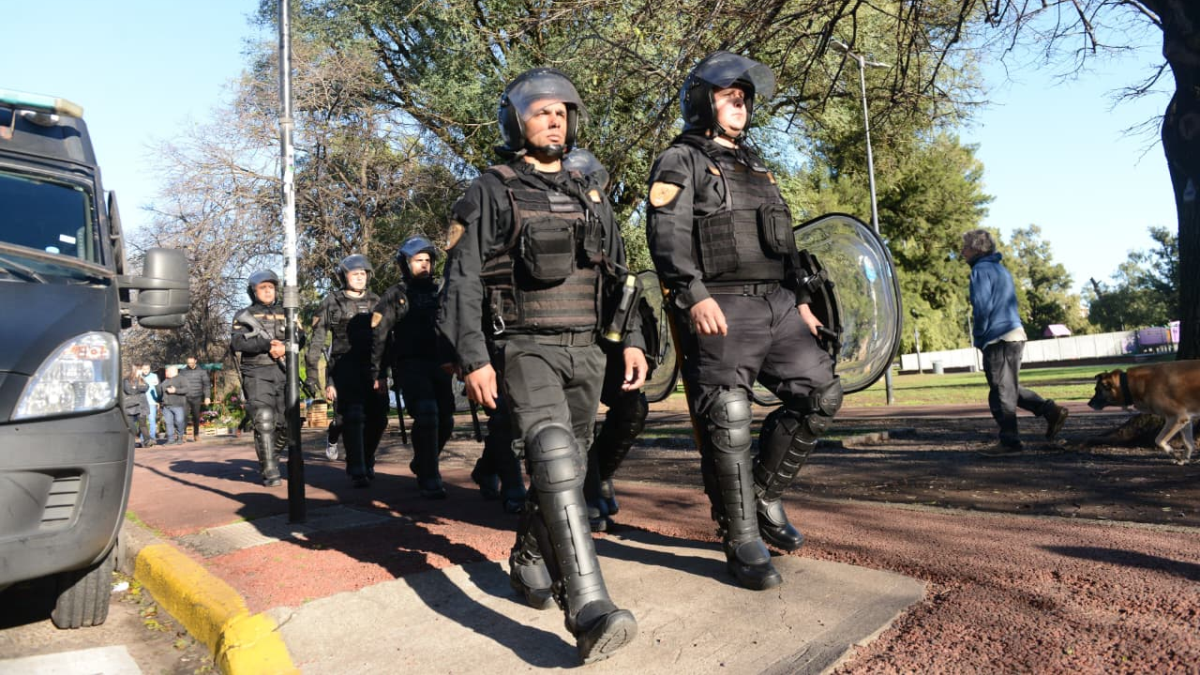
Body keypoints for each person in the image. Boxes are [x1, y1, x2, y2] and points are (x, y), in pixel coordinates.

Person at [437, 67, 646, 664]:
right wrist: (473, 357)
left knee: (571, 469)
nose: (553, 119)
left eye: (562, 111)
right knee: (552, 453)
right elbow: (462, 282)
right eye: (539, 112)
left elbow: (618, 273)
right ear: (516, 122)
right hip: (524, 345)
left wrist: (630, 336)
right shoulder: (489, 189)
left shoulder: (592, 190)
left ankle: (530, 556)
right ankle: (588, 608)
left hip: (587, 347)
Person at [645, 51, 842, 591]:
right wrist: (692, 294)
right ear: (702, 102)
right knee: (728, 416)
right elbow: (665, 235)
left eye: (745, 97)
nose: (740, 104)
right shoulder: (678, 160)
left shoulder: (758, 166)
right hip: (721, 304)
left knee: (820, 393)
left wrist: (802, 299)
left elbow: (785, 243)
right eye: (730, 95)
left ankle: (763, 495)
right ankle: (741, 537)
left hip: (779, 303)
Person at [563, 148, 653, 532]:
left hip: (605, 334)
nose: (585, 187)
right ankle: (577, 493)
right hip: (554, 335)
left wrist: (633, 339)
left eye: (590, 181)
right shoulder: (528, 201)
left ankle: (598, 474)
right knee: (572, 420)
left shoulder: (603, 214)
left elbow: (623, 280)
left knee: (632, 408)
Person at [961, 229, 1070, 452]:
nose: (962, 252)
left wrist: (980, 337)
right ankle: (1050, 411)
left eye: (965, 247)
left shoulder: (980, 270)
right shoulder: (1000, 270)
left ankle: (1010, 441)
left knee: (1000, 391)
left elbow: (981, 307)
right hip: (1014, 333)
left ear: (975, 248)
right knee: (1007, 387)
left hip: (997, 337)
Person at [370, 236, 458, 498]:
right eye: (418, 260)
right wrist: (378, 373)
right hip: (410, 365)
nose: (424, 265)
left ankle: (422, 461)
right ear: (406, 264)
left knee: (446, 419)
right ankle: (430, 476)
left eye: (428, 260)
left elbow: (455, 325)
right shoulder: (394, 295)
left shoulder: (442, 290)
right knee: (427, 413)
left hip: (440, 364)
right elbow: (380, 336)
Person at [307, 254, 388, 488]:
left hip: (373, 365)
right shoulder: (331, 302)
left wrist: (387, 371)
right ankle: (356, 467)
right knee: (352, 416)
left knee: (379, 418)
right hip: (344, 366)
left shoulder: (377, 301)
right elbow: (317, 340)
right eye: (355, 273)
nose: (360, 276)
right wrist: (314, 375)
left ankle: (368, 456)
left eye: (363, 273)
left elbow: (387, 337)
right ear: (344, 277)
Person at [231, 270, 303, 487]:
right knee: (264, 418)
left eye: (270, 287)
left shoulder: (288, 312)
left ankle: (269, 455)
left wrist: (284, 347)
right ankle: (270, 469)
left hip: (284, 371)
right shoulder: (243, 315)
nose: (268, 291)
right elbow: (237, 343)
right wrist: (265, 345)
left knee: (288, 422)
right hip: (256, 371)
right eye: (263, 288)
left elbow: (301, 336)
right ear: (254, 291)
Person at [180, 357, 212, 442]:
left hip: (197, 396)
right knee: (184, 416)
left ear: (195, 361)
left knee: (196, 416)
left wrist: (207, 397)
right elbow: (179, 383)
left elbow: (207, 385)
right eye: (188, 363)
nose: (190, 364)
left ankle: (196, 434)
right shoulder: (183, 372)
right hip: (185, 397)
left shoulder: (202, 371)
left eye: (191, 362)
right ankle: (183, 434)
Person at [157, 366, 188, 445]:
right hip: (166, 405)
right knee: (168, 423)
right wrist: (157, 386)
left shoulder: (182, 379)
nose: (166, 373)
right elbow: (160, 392)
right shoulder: (165, 381)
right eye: (166, 371)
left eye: (168, 371)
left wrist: (176, 390)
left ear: (175, 371)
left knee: (179, 421)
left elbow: (187, 389)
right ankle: (170, 439)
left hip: (178, 404)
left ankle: (180, 437)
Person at [123, 365, 152, 447]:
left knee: (143, 424)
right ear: (135, 370)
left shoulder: (142, 379)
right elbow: (129, 391)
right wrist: (139, 388)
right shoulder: (126, 380)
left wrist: (136, 387)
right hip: (131, 405)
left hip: (141, 405)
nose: (141, 371)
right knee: (131, 425)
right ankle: (131, 442)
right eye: (140, 370)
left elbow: (146, 387)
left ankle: (147, 441)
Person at [142, 364, 160, 443]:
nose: (145, 370)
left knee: (152, 420)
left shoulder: (154, 376)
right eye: (144, 369)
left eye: (147, 369)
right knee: (142, 421)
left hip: (152, 401)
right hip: (142, 401)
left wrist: (157, 401)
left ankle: (152, 438)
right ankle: (143, 439)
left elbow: (157, 388)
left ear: (150, 369)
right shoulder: (139, 376)